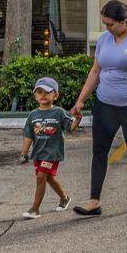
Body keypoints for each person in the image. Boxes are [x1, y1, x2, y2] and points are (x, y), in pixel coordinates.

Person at [70, 0, 127, 215]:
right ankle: (94, 201)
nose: (107, 28)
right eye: (104, 24)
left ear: (124, 20)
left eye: (110, 24)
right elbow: (95, 72)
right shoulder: (104, 39)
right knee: (99, 150)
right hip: (105, 104)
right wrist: (80, 100)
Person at [18, 77, 80, 219]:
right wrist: (24, 153)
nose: (43, 95)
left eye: (47, 92)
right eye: (39, 92)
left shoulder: (59, 112)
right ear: (35, 95)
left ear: (55, 95)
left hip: (53, 153)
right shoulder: (32, 115)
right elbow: (28, 136)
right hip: (38, 153)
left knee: (41, 177)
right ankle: (64, 197)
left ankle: (35, 209)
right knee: (49, 178)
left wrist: (78, 119)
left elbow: (70, 127)